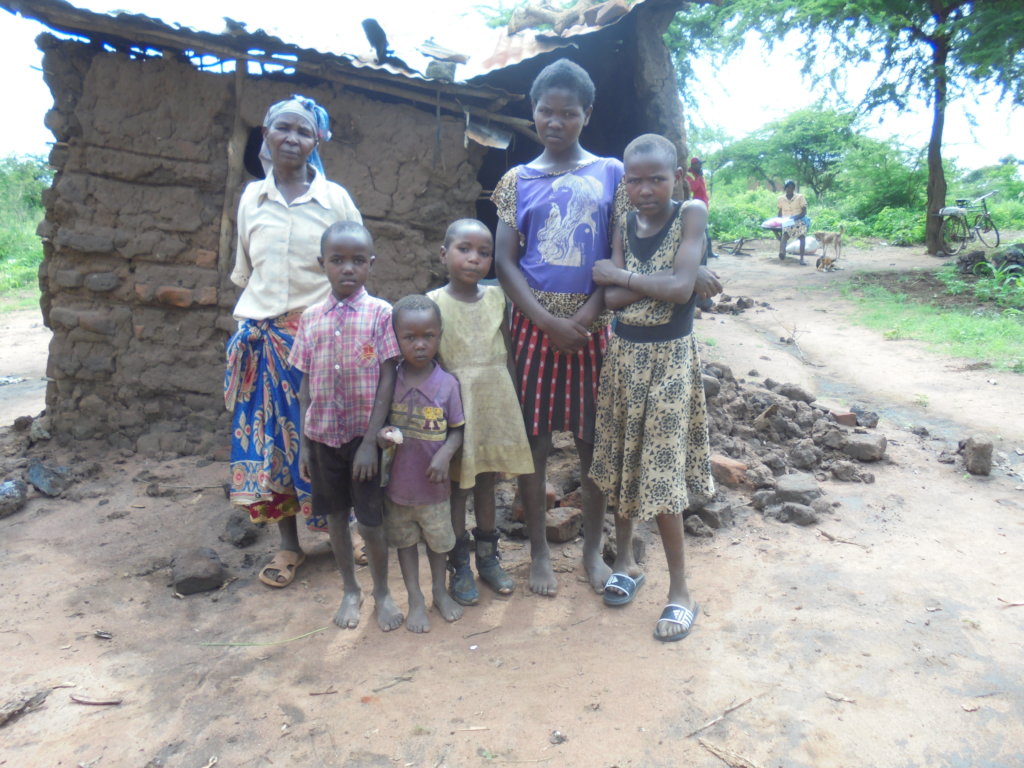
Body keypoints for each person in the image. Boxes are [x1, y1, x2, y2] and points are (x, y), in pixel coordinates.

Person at [492, 59, 623, 597]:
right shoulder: (515, 180)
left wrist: (587, 316)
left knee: (593, 442)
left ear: (586, 116)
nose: (555, 121)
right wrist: (546, 322)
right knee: (535, 442)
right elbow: (505, 262)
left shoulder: (610, 172)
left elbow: (617, 255)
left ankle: (593, 550)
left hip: (594, 327)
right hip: (534, 326)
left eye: (568, 113)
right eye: (546, 110)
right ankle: (540, 550)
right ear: (534, 111)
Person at [225, 95, 365, 589]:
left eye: (303, 132)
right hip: (263, 343)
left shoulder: (336, 201)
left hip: (321, 343)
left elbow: (354, 270)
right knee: (274, 449)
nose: (292, 138)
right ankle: (289, 547)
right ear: (265, 133)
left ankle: (346, 529)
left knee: (330, 438)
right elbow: (247, 274)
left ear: (317, 141)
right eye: (282, 128)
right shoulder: (251, 201)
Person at [589, 134, 718, 642]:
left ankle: (681, 591)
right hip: (623, 357)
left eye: (656, 179)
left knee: (661, 474)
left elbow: (677, 290)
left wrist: (628, 276)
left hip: (669, 360)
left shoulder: (691, 215)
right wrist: (662, 279)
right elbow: (609, 299)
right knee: (624, 461)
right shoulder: (623, 219)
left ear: (678, 178)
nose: (645, 190)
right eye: (635, 180)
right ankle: (626, 561)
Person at [291, 221, 404, 632]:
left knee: (372, 521)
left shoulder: (381, 314)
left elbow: (389, 377)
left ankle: (382, 591)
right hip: (323, 437)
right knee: (335, 519)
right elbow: (304, 385)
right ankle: (350, 589)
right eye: (337, 260)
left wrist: (371, 443)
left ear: (371, 265)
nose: (348, 269)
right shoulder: (310, 319)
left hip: (362, 440)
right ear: (323, 264)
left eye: (358, 260)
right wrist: (305, 446)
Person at [427, 219, 535, 605]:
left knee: (488, 482)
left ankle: (488, 560)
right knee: (458, 489)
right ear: (444, 254)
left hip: (494, 404)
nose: (474, 259)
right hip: (457, 410)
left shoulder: (496, 299)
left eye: (484, 252)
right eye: (464, 249)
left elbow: (506, 353)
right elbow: (430, 367)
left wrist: (515, 404)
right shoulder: (434, 304)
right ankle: (461, 566)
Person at [377, 295, 466, 633]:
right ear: (395, 339)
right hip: (398, 489)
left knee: (439, 544)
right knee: (405, 543)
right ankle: (415, 598)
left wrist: (444, 454)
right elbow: (380, 422)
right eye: (409, 337)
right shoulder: (389, 380)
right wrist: (384, 435)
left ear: (439, 335)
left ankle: (439, 592)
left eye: (428, 336)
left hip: (435, 490)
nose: (419, 345)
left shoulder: (447, 384)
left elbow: (458, 431)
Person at [777, 179, 810, 264]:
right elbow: (780, 211)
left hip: (799, 219)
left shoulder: (800, 197)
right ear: (785, 189)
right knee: (785, 236)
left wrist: (795, 218)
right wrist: (779, 221)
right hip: (787, 221)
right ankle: (782, 252)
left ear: (794, 189)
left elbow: (804, 212)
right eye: (788, 188)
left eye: (791, 188)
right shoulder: (781, 199)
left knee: (802, 237)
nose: (790, 190)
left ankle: (801, 259)